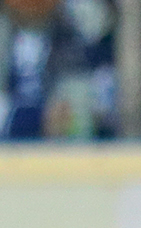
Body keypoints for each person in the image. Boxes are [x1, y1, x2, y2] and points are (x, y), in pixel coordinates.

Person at [1, 0, 116, 138]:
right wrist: (36, 119)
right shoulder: (4, 34)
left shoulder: (76, 29)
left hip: (69, 144)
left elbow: (103, 90)